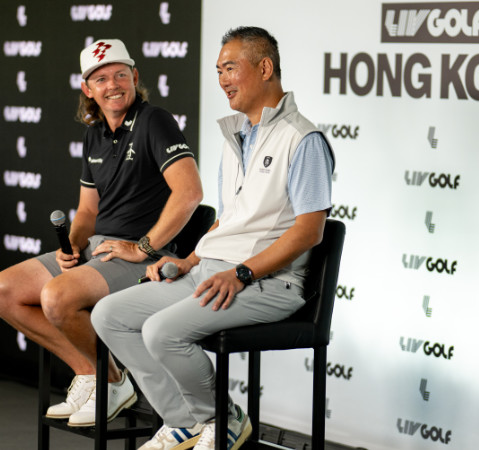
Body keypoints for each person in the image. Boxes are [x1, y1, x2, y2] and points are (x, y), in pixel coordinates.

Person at [91, 26, 334, 450]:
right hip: (211, 270)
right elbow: (229, 218)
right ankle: (186, 420)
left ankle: (220, 419)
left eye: (229, 68)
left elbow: (309, 231)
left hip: (268, 282)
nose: (222, 79)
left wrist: (240, 273)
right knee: (108, 315)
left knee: (161, 331)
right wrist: (190, 260)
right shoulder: (234, 135)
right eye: (218, 69)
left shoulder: (303, 139)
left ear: (265, 68)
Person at [0, 39, 203, 427]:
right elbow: (88, 210)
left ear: (135, 77)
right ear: (88, 89)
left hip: (142, 257)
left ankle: (114, 381)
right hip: (99, 251)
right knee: (2, 292)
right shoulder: (94, 133)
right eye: (101, 78)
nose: (113, 84)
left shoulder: (155, 120)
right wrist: (74, 243)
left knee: (56, 298)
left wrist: (143, 247)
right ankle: (91, 372)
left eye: (121, 74)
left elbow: (190, 192)